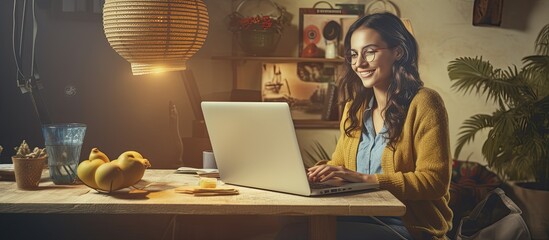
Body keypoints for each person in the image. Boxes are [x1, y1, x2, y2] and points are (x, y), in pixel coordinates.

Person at [307, 12, 453, 239]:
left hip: (408, 227)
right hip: (355, 216)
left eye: (370, 52)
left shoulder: (425, 103)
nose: (359, 63)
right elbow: (339, 166)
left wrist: (368, 180)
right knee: (293, 228)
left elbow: (434, 181)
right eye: (354, 54)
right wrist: (318, 175)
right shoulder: (353, 108)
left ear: (398, 52)